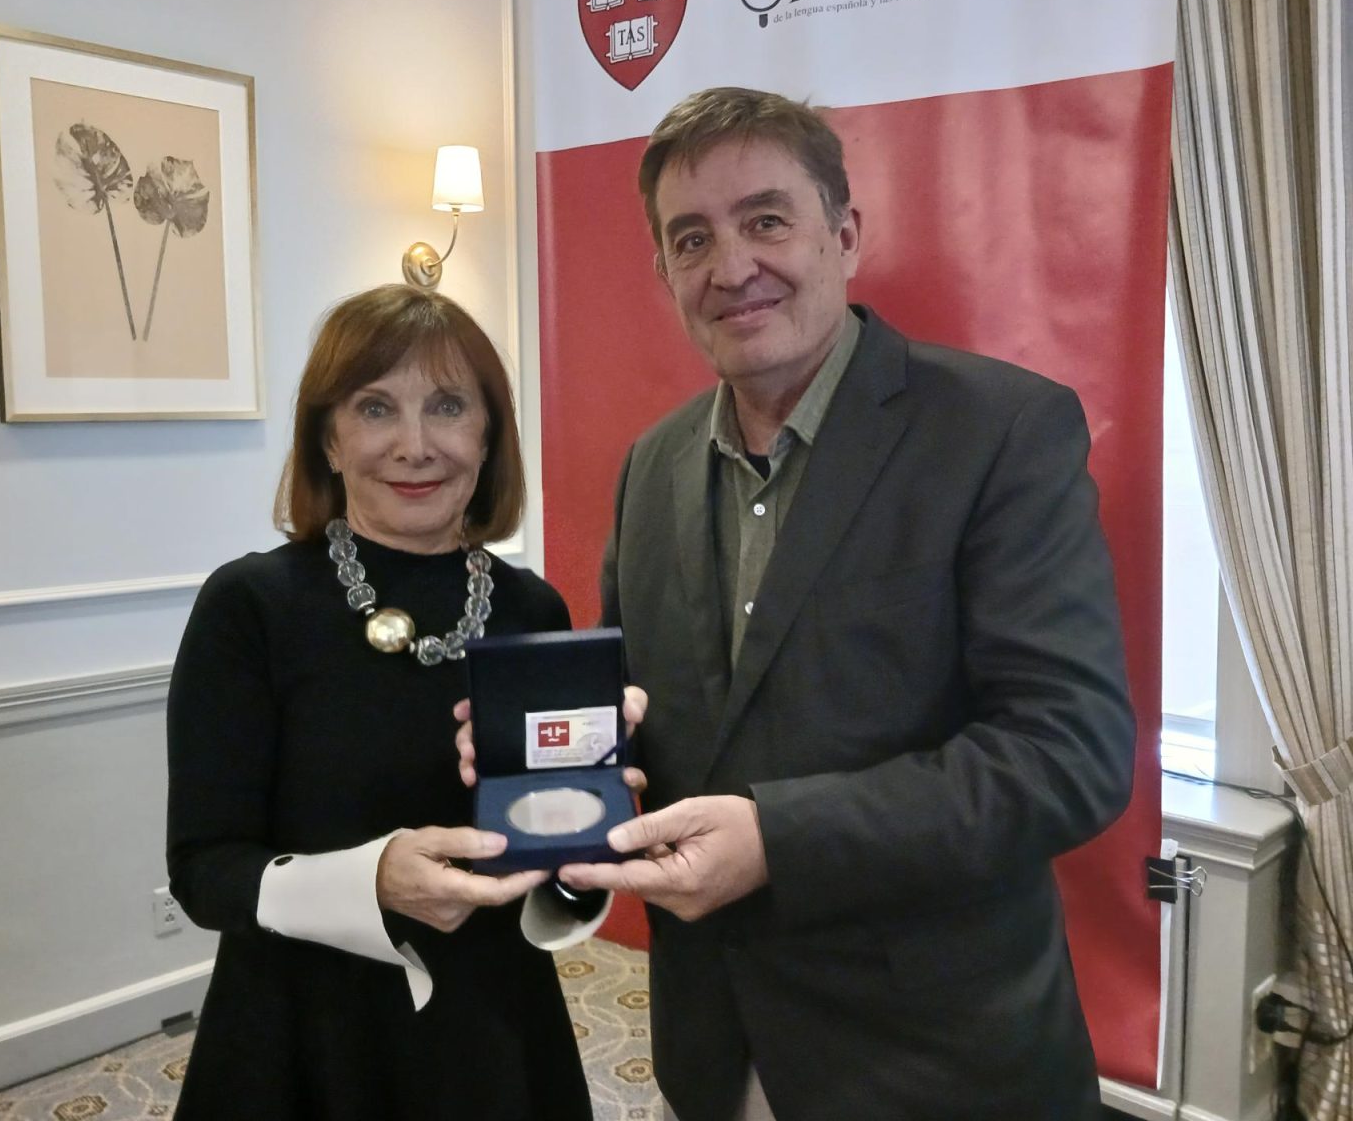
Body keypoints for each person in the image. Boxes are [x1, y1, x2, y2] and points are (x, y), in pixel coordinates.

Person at [555, 88, 1138, 1120]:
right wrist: (544, 751)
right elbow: (645, 716)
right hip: (713, 1042)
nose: (732, 268)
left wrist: (777, 837)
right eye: (692, 239)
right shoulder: (652, 465)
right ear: (663, 273)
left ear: (846, 232)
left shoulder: (1000, 432)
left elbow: (1070, 753)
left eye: (767, 219)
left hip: (934, 1062)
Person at [165, 284, 593, 1120]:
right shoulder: (251, 606)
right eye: (374, 408)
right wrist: (372, 883)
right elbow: (204, 873)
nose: (415, 444)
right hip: (304, 1030)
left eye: (446, 406)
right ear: (328, 438)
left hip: (494, 1026)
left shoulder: (533, 611)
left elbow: (556, 870)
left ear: (488, 434)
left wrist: (593, 831)